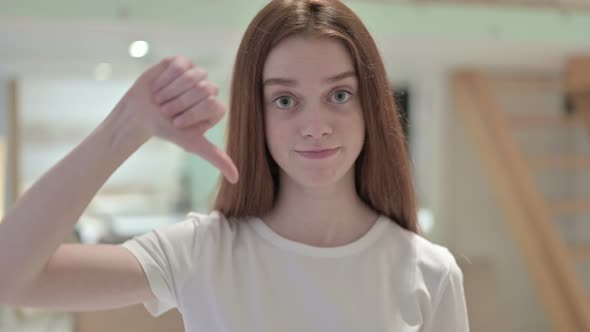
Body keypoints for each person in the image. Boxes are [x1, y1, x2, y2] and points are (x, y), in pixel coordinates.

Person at [0, 0, 470, 331]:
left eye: (339, 95)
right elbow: (11, 278)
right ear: (256, 115)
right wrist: (126, 127)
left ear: (372, 107)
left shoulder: (428, 272)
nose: (316, 125)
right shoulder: (202, 252)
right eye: (285, 100)